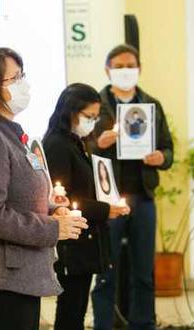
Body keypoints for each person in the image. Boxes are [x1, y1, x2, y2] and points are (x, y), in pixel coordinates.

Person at [0, 47, 88, 330]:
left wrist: (56, 209)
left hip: (20, 276)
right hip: (2, 279)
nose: (23, 84)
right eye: (14, 79)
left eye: (22, 76)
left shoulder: (9, 132)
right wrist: (52, 228)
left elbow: (21, 195)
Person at [89, 44, 174, 330]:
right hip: (108, 200)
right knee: (105, 271)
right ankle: (103, 324)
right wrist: (97, 144)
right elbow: (79, 146)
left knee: (143, 272)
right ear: (107, 70)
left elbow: (168, 149)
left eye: (130, 66)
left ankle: (143, 324)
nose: (125, 71)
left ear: (139, 69)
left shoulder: (151, 104)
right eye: (119, 66)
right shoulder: (96, 105)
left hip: (143, 197)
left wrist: (161, 157)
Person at [43, 83, 131, 330]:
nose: (92, 122)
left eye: (95, 117)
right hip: (72, 241)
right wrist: (105, 210)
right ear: (70, 112)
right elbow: (61, 199)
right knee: (71, 310)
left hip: (84, 238)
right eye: (88, 117)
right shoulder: (58, 144)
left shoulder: (76, 141)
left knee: (77, 308)